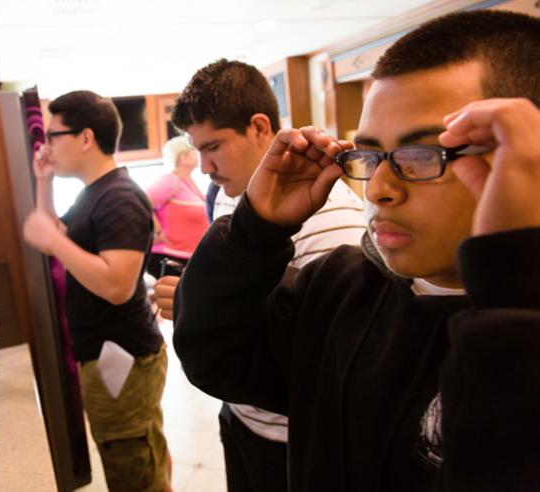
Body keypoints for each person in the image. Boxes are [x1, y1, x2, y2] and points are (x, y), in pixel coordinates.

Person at [172, 10, 540, 492]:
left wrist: (513, 288)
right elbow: (214, 358)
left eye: (422, 155)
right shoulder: (339, 288)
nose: (379, 189)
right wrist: (252, 231)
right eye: (369, 156)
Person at [155, 59, 367, 492]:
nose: (204, 167)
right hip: (240, 416)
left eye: (213, 147)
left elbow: (331, 357)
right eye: (196, 151)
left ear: (258, 127)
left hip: (291, 439)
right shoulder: (228, 196)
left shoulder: (332, 217)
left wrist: (195, 306)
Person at [23, 90, 171, 492]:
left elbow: (117, 285)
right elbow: (58, 232)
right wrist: (44, 182)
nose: (47, 145)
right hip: (110, 354)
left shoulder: (119, 198)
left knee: (134, 467)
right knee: (131, 456)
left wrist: (53, 242)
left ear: (85, 137)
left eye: (54, 135)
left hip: (123, 356)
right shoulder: (95, 193)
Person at [145, 136, 208, 279]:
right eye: (193, 150)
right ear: (183, 157)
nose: (197, 153)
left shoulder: (187, 182)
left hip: (187, 259)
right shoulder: (171, 180)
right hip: (170, 258)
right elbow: (141, 201)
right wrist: (158, 231)